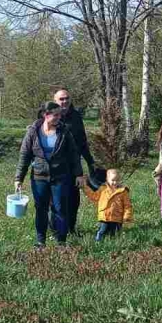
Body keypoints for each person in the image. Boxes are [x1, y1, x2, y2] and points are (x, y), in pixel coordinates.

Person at [15, 102, 85, 247]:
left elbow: (73, 154)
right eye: (56, 115)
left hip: (61, 177)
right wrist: (18, 178)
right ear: (45, 115)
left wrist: (79, 174)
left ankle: (61, 242)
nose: (59, 117)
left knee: (60, 209)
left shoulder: (64, 131)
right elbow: (24, 155)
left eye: (60, 115)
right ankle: (40, 242)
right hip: (39, 177)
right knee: (41, 209)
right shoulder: (33, 131)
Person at [53, 89, 94, 235]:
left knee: (74, 199)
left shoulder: (76, 116)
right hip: (55, 166)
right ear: (55, 100)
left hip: (74, 165)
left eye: (67, 98)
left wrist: (90, 161)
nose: (65, 101)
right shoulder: (50, 116)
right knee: (56, 200)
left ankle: (71, 228)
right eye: (61, 99)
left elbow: (83, 141)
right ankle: (56, 229)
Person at [82, 168, 133, 242]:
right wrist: (85, 188)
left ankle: (112, 245)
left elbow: (127, 205)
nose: (115, 182)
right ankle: (98, 242)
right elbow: (94, 196)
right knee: (102, 231)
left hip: (117, 217)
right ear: (107, 180)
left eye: (117, 180)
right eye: (113, 180)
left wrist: (127, 215)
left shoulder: (123, 191)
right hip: (104, 217)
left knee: (114, 233)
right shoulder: (103, 190)